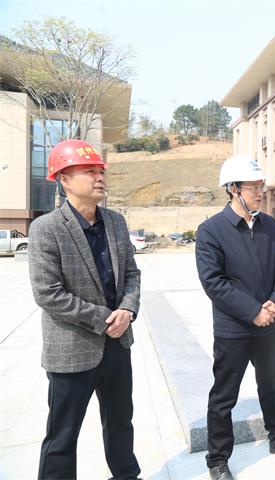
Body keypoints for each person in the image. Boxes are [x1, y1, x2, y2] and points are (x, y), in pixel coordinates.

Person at [28, 139, 142, 480]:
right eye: (89, 171)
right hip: (72, 347)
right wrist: (105, 318)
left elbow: (132, 274)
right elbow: (48, 293)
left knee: (120, 422)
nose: (100, 177)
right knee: (62, 436)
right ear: (64, 179)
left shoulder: (116, 222)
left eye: (101, 171)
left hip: (117, 343)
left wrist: (128, 309)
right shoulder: (46, 228)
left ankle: (126, 475)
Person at [195, 155, 275, 480]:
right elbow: (213, 282)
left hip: (271, 325)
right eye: (253, 187)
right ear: (233, 189)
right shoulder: (211, 231)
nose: (261, 192)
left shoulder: (268, 225)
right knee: (224, 396)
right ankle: (217, 460)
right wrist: (253, 311)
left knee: (271, 383)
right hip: (233, 329)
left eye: (261, 185)